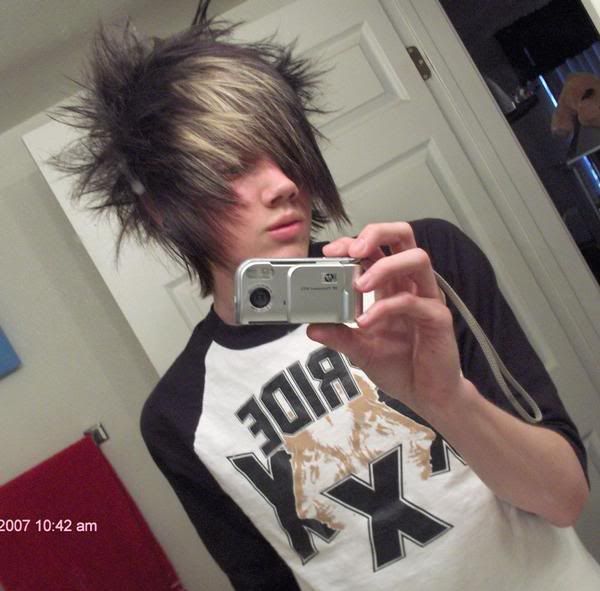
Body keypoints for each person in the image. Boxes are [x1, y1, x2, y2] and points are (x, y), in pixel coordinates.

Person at [57, 14, 600, 591]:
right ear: (162, 209)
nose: (284, 183)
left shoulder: (417, 267)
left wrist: (444, 400)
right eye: (231, 165)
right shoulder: (179, 415)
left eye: (286, 152)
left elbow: (563, 499)